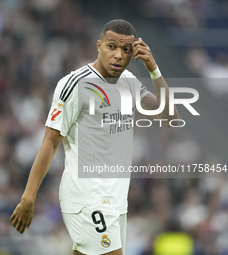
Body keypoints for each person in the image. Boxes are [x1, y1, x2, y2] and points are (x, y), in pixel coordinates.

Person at [10, 19, 179, 255]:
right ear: (99, 45)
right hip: (87, 199)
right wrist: (28, 198)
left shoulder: (129, 83)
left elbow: (169, 116)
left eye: (126, 49)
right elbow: (50, 142)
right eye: (112, 46)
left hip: (116, 201)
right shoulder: (75, 84)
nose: (119, 55)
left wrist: (154, 69)